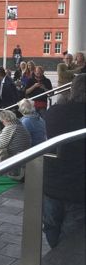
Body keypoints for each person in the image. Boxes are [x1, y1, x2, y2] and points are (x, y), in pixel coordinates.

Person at [42, 74, 85, 248]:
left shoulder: (55, 112)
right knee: (72, 233)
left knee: (51, 225)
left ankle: (55, 252)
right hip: (78, 187)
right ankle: (60, 262)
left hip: (52, 181)